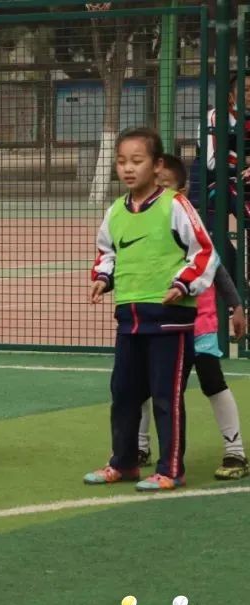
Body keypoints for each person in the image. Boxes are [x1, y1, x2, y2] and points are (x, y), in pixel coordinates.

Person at [85, 128, 216, 492]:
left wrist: (182, 284)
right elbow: (106, 252)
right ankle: (124, 462)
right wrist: (103, 278)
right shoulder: (115, 211)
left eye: (137, 161)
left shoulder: (175, 205)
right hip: (129, 321)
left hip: (170, 321)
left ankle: (171, 470)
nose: (128, 168)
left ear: (157, 166)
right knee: (124, 393)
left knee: (165, 396)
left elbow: (204, 252)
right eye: (121, 161)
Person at [136, 153, 249, 479]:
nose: (160, 193)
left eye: (166, 186)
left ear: (183, 191)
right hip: (163, 324)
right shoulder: (146, 228)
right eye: (155, 186)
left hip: (199, 326)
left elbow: (218, 271)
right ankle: (140, 446)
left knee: (212, 382)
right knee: (147, 385)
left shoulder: (192, 228)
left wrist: (236, 306)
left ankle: (235, 453)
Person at [191, 71, 250, 274]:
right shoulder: (216, 118)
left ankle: (241, 284)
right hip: (209, 187)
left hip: (238, 183)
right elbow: (212, 163)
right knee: (214, 240)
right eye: (245, 90)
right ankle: (234, 282)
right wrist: (244, 163)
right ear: (231, 96)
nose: (249, 95)